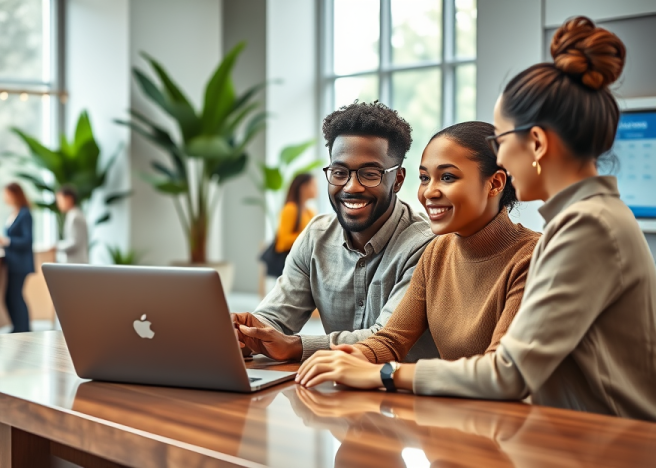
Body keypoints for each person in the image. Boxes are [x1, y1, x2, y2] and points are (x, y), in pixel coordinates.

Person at [297, 17, 656, 421]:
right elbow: (392, 339)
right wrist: (353, 357)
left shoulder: (588, 227)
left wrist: (383, 374)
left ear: (535, 143)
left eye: (501, 140)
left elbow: (509, 373)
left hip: (609, 447)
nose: (499, 158)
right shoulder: (585, 220)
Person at [297, 120, 538, 373]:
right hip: (456, 407)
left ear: (495, 184)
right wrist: (343, 356)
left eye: (447, 177)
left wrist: (386, 376)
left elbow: (497, 371)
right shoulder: (437, 251)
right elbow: (391, 341)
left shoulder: (532, 256)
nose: (429, 192)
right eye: (425, 178)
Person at [235, 101, 436, 363]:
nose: (352, 187)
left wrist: (296, 346)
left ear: (397, 180)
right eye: (340, 172)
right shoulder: (316, 236)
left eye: (370, 173)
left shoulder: (426, 245)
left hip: (407, 396)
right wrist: (248, 334)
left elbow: (384, 338)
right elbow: (276, 318)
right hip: (336, 391)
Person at [0, 182, 35, 333]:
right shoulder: (14, 212)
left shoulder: (24, 214)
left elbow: (27, 240)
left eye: (7, 194)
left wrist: (6, 241)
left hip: (20, 263)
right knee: (12, 297)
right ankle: (19, 328)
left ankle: (23, 329)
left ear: (15, 194)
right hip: (12, 261)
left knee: (15, 297)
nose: (5, 197)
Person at [275, 174, 317, 254]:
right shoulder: (291, 209)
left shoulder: (310, 212)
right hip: (288, 260)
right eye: (313, 185)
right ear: (303, 187)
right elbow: (282, 243)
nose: (317, 189)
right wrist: (308, 235)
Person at [54, 185, 89, 264]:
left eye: (60, 200)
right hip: (75, 262)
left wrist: (57, 247)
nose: (58, 204)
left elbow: (75, 242)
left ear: (69, 199)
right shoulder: (72, 215)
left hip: (77, 262)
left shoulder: (75, 217)